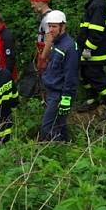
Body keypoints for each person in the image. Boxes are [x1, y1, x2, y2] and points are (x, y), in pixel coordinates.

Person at [77, 0, 106, 113]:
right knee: (85, 74)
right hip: (89, 50)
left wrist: (88, 50)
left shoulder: (98, 6)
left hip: (94, 52)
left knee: (95, 76)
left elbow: (96, 32)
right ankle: (92, 100)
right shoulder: (94, 4)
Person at [40, 10, 79, 142]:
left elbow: (71, 76)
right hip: (51, 91)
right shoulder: (55, 42)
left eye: (54, 26)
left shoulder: (69, 47)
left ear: (63, 26)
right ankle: (66, 149)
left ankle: (53, 152)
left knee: (47, 128)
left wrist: (66, 99)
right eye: (49, 26)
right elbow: (45, 60)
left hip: (59, 94)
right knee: (60, 126)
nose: (51, 29)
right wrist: (48, 43)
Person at [22, 0, 53, 100]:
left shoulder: (48, 19)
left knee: (47, 81)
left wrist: (43, 58)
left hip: (47, 56)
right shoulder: (47, 17)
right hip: (45, 54)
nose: (32, 5)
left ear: (40, 2)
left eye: (33, 2)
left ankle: (48, 103)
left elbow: (49, 40)